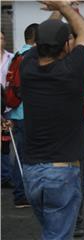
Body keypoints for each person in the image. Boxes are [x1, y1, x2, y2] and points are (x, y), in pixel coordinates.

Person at [20, 1, 84, 239]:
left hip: (31, 173)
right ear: (65, 46)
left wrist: (58, 9)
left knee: (51, 231)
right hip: (61, 172)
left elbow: (48, 35)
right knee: (57, 235)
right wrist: (63, 7)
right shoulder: (72, 71)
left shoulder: (27, 67)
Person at [6, 23, 39, 208]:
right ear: (36, 39)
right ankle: (21, 195)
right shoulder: (31, 57)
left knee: (19, 153)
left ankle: (21, 193)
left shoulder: (18, 55)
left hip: (17, 111)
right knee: (26, 156)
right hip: (27, 113)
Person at [0, 30, 14, 189]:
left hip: (8, 104)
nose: (1, 41)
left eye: (2, 38)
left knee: (5, 141)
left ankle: (5, 176)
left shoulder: (11, 58)